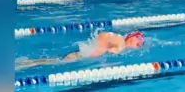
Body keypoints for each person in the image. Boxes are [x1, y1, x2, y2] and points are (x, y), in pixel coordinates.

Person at [15, 31, 145, 70]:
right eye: (139, 39)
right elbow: (110, 53)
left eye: (142, 42)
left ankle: (26, 62)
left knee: (53, 61)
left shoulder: (118, 39)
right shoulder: (121, 44)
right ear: (131, 37)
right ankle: (25, 63)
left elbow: (103, 37)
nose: (141, 42)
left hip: (83, 53)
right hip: (82, 56)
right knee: (53, 62)